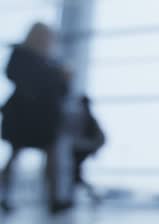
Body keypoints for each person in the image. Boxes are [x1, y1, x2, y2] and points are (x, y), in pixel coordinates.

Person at [0, 23, 72, 213]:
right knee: (15, 155)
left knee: (52, 156)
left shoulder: (52, 62)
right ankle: (5, 196)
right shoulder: (21, 55)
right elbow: (14, 76)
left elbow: (61, 92)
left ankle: (54, 200)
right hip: (22, 115)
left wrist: (64, 78)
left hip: (45, 118)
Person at [67, 96, 105, 203]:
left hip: (81, 149)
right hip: (82, 149)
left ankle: (71, 198)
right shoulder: (89, 118)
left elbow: (98, 138)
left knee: (75, 176)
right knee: (75, 176)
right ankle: (92, 196)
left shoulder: (86, 118)